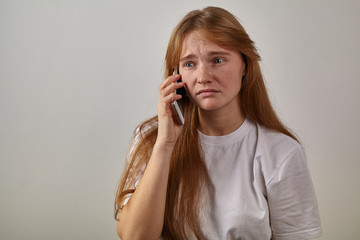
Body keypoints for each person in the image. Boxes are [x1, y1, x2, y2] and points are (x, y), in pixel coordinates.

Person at [114, 6, 322, 240]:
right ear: (176, 75)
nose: (203, 76)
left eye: (218, 60)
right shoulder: (151, 139)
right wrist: (164, 145)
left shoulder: (281, 152)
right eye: (190, 64)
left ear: (245, 65)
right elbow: (135, 237)